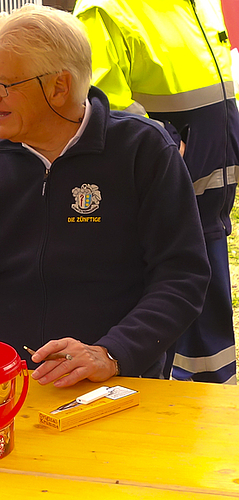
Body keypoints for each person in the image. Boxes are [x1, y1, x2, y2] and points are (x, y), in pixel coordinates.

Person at [0, 5, 211, 388]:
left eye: (3, 85)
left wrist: (112, 352)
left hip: (112, 381)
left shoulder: (142, 150)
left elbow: (182, 278)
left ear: (59, 86)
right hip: (6, 380)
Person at [73, 0, 237, 384]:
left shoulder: (198, 4)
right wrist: (166, 143)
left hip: (210, 205)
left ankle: (214, 419)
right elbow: (98, 102)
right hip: (169, 207)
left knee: (209, 338)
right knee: (173, 326)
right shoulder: (106, 9)